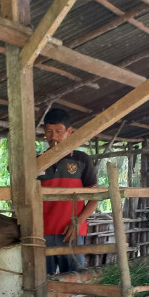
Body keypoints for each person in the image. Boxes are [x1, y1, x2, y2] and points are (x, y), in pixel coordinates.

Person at [38, 108, 99, 274]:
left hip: (71, 232)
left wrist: (78, 222)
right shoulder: (37, 163)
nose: (53, 137)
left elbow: (95, 197)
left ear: (69, 131)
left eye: (58, 131)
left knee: (74, 281)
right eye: (49, 131)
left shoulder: (81, 160)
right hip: (42, 234)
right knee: (43, 284)